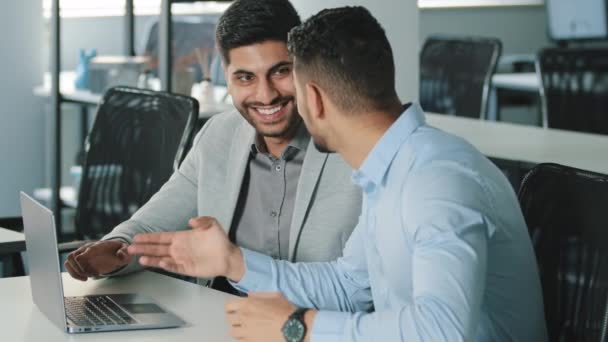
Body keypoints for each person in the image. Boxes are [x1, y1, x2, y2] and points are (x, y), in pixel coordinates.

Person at [128, 6, 548, 342]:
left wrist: (299, 327)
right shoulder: (391, 168)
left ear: (312, 96)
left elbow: (442, 330)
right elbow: (349, 286)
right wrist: (235, 263)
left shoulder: (436, 177)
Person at [63, 0, 362, 290]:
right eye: (245, 77)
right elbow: (151, 225)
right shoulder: (219, 134)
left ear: (304, 66)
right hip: (216, 316)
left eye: (280, 71)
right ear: (227, 76)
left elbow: (357, 284)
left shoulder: (354, 149)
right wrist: (115, 250)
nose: (266, 94)